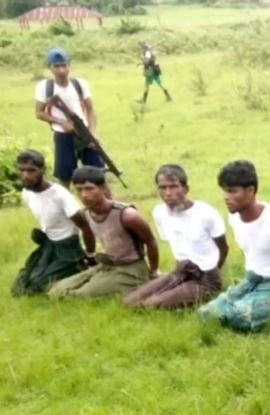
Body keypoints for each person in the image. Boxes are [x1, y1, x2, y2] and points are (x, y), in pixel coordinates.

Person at [199, 161, 270, 332]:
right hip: (251, 279)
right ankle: (250, 301)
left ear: (251, 191)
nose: (225, 197)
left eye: (232, 191)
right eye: (224, 190)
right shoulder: (234, 218)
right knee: (206, 313)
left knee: (239, 318)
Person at [123, 165, 227, 310]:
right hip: (181, 270)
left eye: (173, 187)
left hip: (205, 275)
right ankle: (180, 286)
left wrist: (213, 273)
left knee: (151, 305)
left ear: (186, 189)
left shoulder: (206, 214)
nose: (168, 193)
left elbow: (223, 247)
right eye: (163, 188)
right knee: (129, 301)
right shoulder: (159, 213)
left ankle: (208, 289)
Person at [48, 166, 159, 299]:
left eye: (89, 189)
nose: (84, 195)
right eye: (79, 190)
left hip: (131, 269)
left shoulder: (127, 215)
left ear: (103, 188)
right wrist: (90, 256)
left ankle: (136, 284)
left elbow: (151, 242)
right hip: (108, 264)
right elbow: (87, 233)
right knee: (56, 290)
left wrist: (153, 273)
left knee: (80, 295)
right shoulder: (86, 214)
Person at [12, 150, 97, 296]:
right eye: (22, 170)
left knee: (38, 285)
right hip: (49, 245)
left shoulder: (60, 195)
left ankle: (79, 266)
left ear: (43, 171)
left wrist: (91, 256)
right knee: (21, 284)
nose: (26, 175)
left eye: (31, 171)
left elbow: (85, 227)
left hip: (68, 248)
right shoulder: (27, 192)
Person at [34, 48, 104, 188]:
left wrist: (93, 133)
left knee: (98, 175)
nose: (61, 70)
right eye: (56, 66)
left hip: (84, 133)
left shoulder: (79, 84)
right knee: (65, 177)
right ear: (50, 67)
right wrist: (62, 122)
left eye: (64, 65)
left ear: (69, 65)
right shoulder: (45, 87)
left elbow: (90, 109)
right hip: (63, 136)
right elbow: (39, 113)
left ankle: (109, 207)